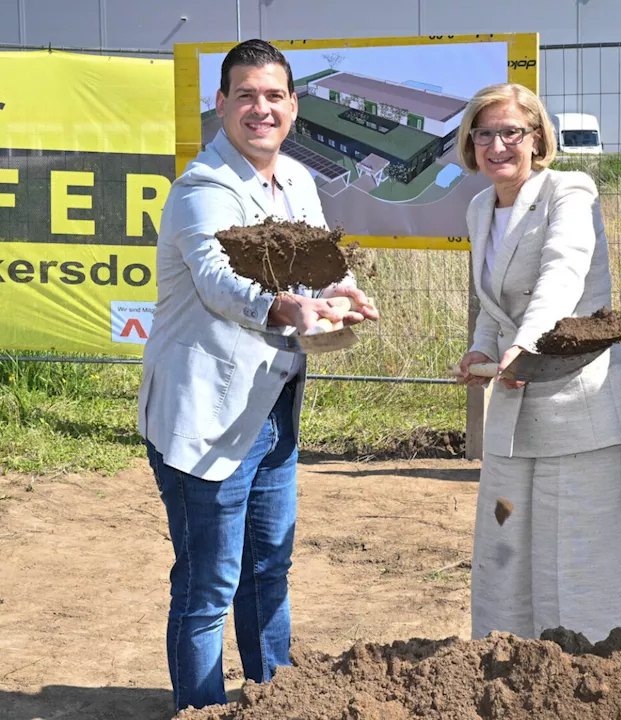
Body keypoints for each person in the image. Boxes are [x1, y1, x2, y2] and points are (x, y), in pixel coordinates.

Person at [137, 39, 377, 712]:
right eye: (245, 95)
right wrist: (285, 306)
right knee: (210, 583)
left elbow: (323, 261)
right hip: (204, 417)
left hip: (272, 408)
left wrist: (344, 294)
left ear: (293, 107)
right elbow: (221, 283)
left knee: (268, 569)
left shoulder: (297, 181)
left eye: (274, 96)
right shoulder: (201, 191)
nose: (260, 109)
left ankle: (276, 700)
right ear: (221, 104)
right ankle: (204, 708)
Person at [454, 83, 621, 644]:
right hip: (513, 407)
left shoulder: (569, 191)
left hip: (581, 405)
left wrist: (524, 344)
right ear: (471, 141)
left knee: (579, 554)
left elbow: (562, 271)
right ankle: (505, 664)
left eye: (512, 132)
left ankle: (593, 675)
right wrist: (483, 348)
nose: (498, 145)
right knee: (505, 543)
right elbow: (491, 303)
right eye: (485, 133)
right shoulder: (481, 208)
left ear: (537, 138)